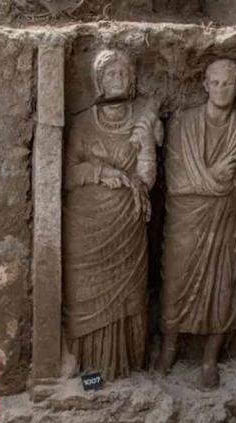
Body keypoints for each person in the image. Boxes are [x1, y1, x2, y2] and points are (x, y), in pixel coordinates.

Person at [159, 58, 236, 388]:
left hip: (226, 219)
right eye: (216, 83)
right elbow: (175, 180)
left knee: (225, 287)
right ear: (205, 85)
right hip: (185, 220)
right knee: (175, 284)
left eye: (228, 83)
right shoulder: (183, 123)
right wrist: (214, 179)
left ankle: (210, 358)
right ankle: (169, 348)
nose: (221, 89)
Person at [63, 49, 162, 380]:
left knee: (128, 297)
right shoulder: (82, 122)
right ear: (98, 81)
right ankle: (88, 374)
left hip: (127, 223)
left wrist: (147, 147)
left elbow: (146, 180)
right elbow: (65, 173)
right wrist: (100, 172)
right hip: (86, 225)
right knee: (84, 295)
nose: (117, 78)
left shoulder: (141, 121)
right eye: (110, 73)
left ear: (132, 79)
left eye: (122, 73)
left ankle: (122, 371)